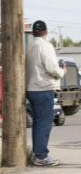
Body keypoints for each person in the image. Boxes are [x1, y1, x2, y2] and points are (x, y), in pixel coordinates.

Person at [26, 20, 65, 166]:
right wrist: (62, 71)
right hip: (43, 89)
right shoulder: (45, 45)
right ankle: (41, 156)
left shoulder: (29, 46)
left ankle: (38, 153)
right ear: (46, 32)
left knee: (37, 123)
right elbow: (51, 68)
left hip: (31, 89)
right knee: (44, 124)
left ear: (33, 32)